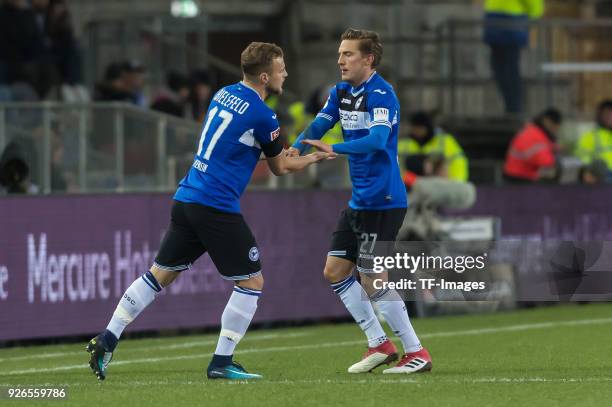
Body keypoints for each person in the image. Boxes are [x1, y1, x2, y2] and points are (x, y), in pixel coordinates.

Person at [86, 42, 335, 381]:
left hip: (187, 198)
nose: (286, 73)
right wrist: (314, 157)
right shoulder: (263, 114)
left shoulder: (223, 94)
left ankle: (108, 338)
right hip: (215, 205)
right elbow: (280, 168)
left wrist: (277, 151)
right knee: (252, 281)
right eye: (281, 69)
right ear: (265, 76)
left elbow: (235, 148)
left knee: (160, 274)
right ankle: (222, 362)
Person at [289, 28, 431, 375]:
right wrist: (295, 147)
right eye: (339, 53)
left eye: (348, 54)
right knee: (335, 271)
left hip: (384, 200)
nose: (340, 60)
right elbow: (321, 123)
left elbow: (379, 140)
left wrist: (334, 148)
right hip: (361, 201)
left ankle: (417, 352)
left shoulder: (382, 94)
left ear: (368, 59)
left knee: (373, 279)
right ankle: (379, 344)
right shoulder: (340, 92)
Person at [483, 0, 544, 114]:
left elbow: (535, 5)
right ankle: (512, 108)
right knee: (502, 68)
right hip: (502, 21)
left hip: (508, 21)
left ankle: (514, 109)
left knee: (507, 68)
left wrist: (534, 14)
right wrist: (534, 15)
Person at [398, 112, 468, 182]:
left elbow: (458, 161)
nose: (417, 131)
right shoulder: (404, 143)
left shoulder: (445, 141)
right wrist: (412, 181)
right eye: (415, 128)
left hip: (441, 185)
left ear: (428, 127)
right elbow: (396, 168)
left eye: (420, 128)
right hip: (411, 188)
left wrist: (455, 184)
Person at [503, 108, 562, 183]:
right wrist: (556, 160)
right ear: (547, 121)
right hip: (520, 178)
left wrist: (554, 148)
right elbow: (545, 161)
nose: (555, 130)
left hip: (513, 174)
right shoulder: (537, 136)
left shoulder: (532, 130)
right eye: (555, 127)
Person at [575, 99, 612, 171]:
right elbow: (581, 159)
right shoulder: (589, 137)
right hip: (602, 178)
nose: (610, 118)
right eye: (607, 114)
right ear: (600, 115)